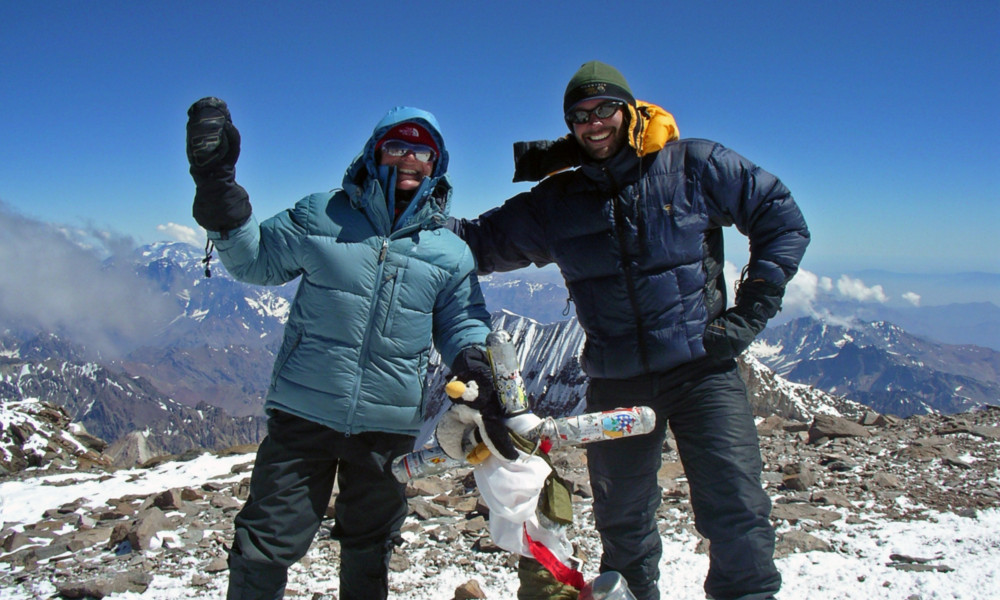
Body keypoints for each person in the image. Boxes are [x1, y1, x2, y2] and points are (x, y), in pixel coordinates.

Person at [449, 61, 810, 600]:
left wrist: (749, 315)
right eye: (579, 114)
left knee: (735, 508)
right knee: (622, 521)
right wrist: (411, 214)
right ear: (569, 125)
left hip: (702, 370)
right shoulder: (557, 202)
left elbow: (779, 214)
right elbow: (477, 243)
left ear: (629, 109)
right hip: (616, 382)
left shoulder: (693, 165)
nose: (594, 123)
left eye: (604, 109)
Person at [185, 98, 516, 600]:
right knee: (265, 541)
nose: (410, 159)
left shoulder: (448, 250)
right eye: (398, 146)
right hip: (303, 414)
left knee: (370, 543)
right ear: (374, 153)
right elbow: (254, 262)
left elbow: (461, 319)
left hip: (386, 428)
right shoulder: (322, 214)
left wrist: (474, 361)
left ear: (437, 167)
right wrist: (217, 187)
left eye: (423, 152)